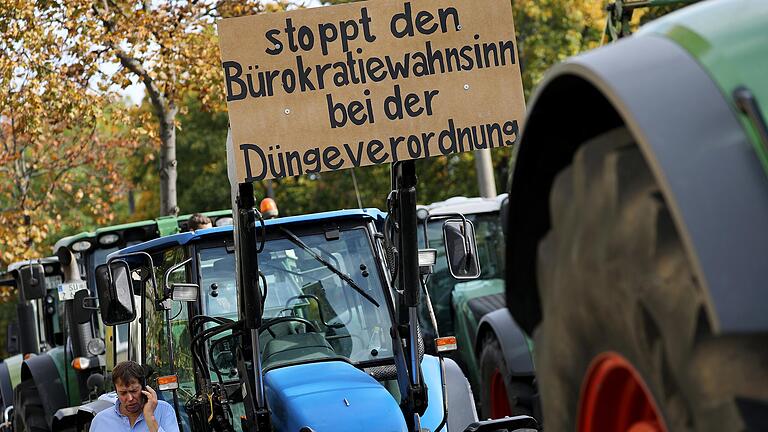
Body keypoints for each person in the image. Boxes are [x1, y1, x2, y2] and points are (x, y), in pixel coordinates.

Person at [89, 361, 179, 432]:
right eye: (123, 393)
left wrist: (150, 417)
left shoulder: (163, 410)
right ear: (116, 392)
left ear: (144, 388)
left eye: (134, 391)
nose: (130, 398)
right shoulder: (100, 421)